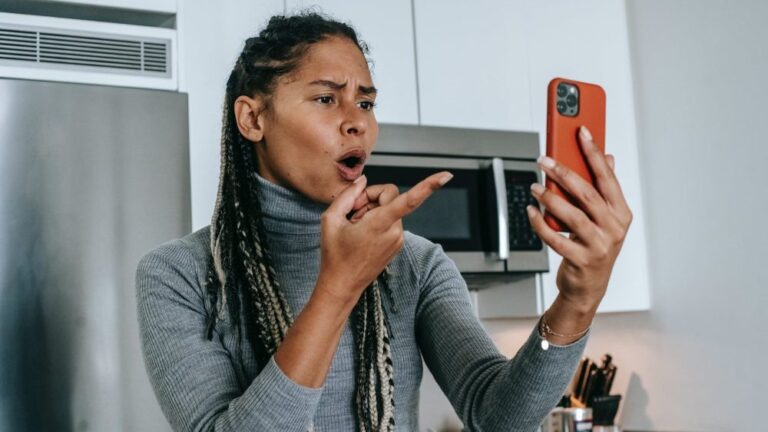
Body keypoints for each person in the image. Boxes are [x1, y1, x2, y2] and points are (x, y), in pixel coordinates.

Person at [135, 11, 632, 432]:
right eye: (327, 98)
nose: (357, 121)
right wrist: (338, 288)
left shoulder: (414, 263)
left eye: (366, 102)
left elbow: (497, 414)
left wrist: (577, 302)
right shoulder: (178, 274)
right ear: (252, 119)